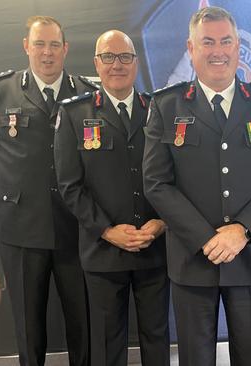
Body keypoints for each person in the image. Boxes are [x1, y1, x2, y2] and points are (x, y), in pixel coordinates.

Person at [142, 6, 251, 366]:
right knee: (195, 358)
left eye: (226, 41)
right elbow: (156, 182)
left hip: (250, 256)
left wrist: (242, 230)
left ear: (238, 47)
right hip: (193, 259)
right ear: (190, 48)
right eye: (207, 42)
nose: (218, 50)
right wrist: (206, 237)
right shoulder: (166, 105)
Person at [0, 15, 96, 366]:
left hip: (75, 226)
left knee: (83, 321)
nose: (47, 53)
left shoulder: (86, 93)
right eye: (39, 44)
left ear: (65, 49)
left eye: (54, 45)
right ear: (26, 46)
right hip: (22, 227)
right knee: (28, 324)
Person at [54, 30, 170, 366]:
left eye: (125, 57)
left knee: (157, 337)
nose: (116, 64)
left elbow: (175, 177)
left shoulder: (158, 110)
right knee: (106, 343)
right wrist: (107, 230)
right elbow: (70, 186)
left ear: (136, 63)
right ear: (96, 63)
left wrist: (162, 222)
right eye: (108, 57)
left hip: (154, 246)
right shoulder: (75, 114)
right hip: (103, 251)